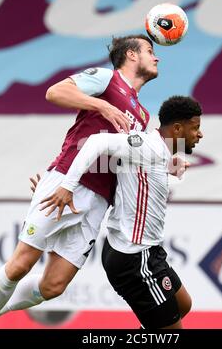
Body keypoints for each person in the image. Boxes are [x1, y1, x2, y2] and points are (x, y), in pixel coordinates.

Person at [0, 34, 159, 328]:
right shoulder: (106, 79)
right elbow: (55, 92)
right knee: (21, 263)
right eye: (150, 51)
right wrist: (101, 106)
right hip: (68, 185)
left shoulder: (142, 115)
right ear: (130, 55)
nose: (157, 57)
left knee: (54, 286)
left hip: (98, 203)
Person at [37, 95, 203, 329]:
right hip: (134, 259)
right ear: (177, 128)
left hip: (147, 251)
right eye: (195, 127)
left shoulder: (158, 151)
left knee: (182, 304)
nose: (200, 134)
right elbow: (96, 142)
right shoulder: (147, 146)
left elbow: (138, 168)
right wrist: (66, 185)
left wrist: (169, 167)